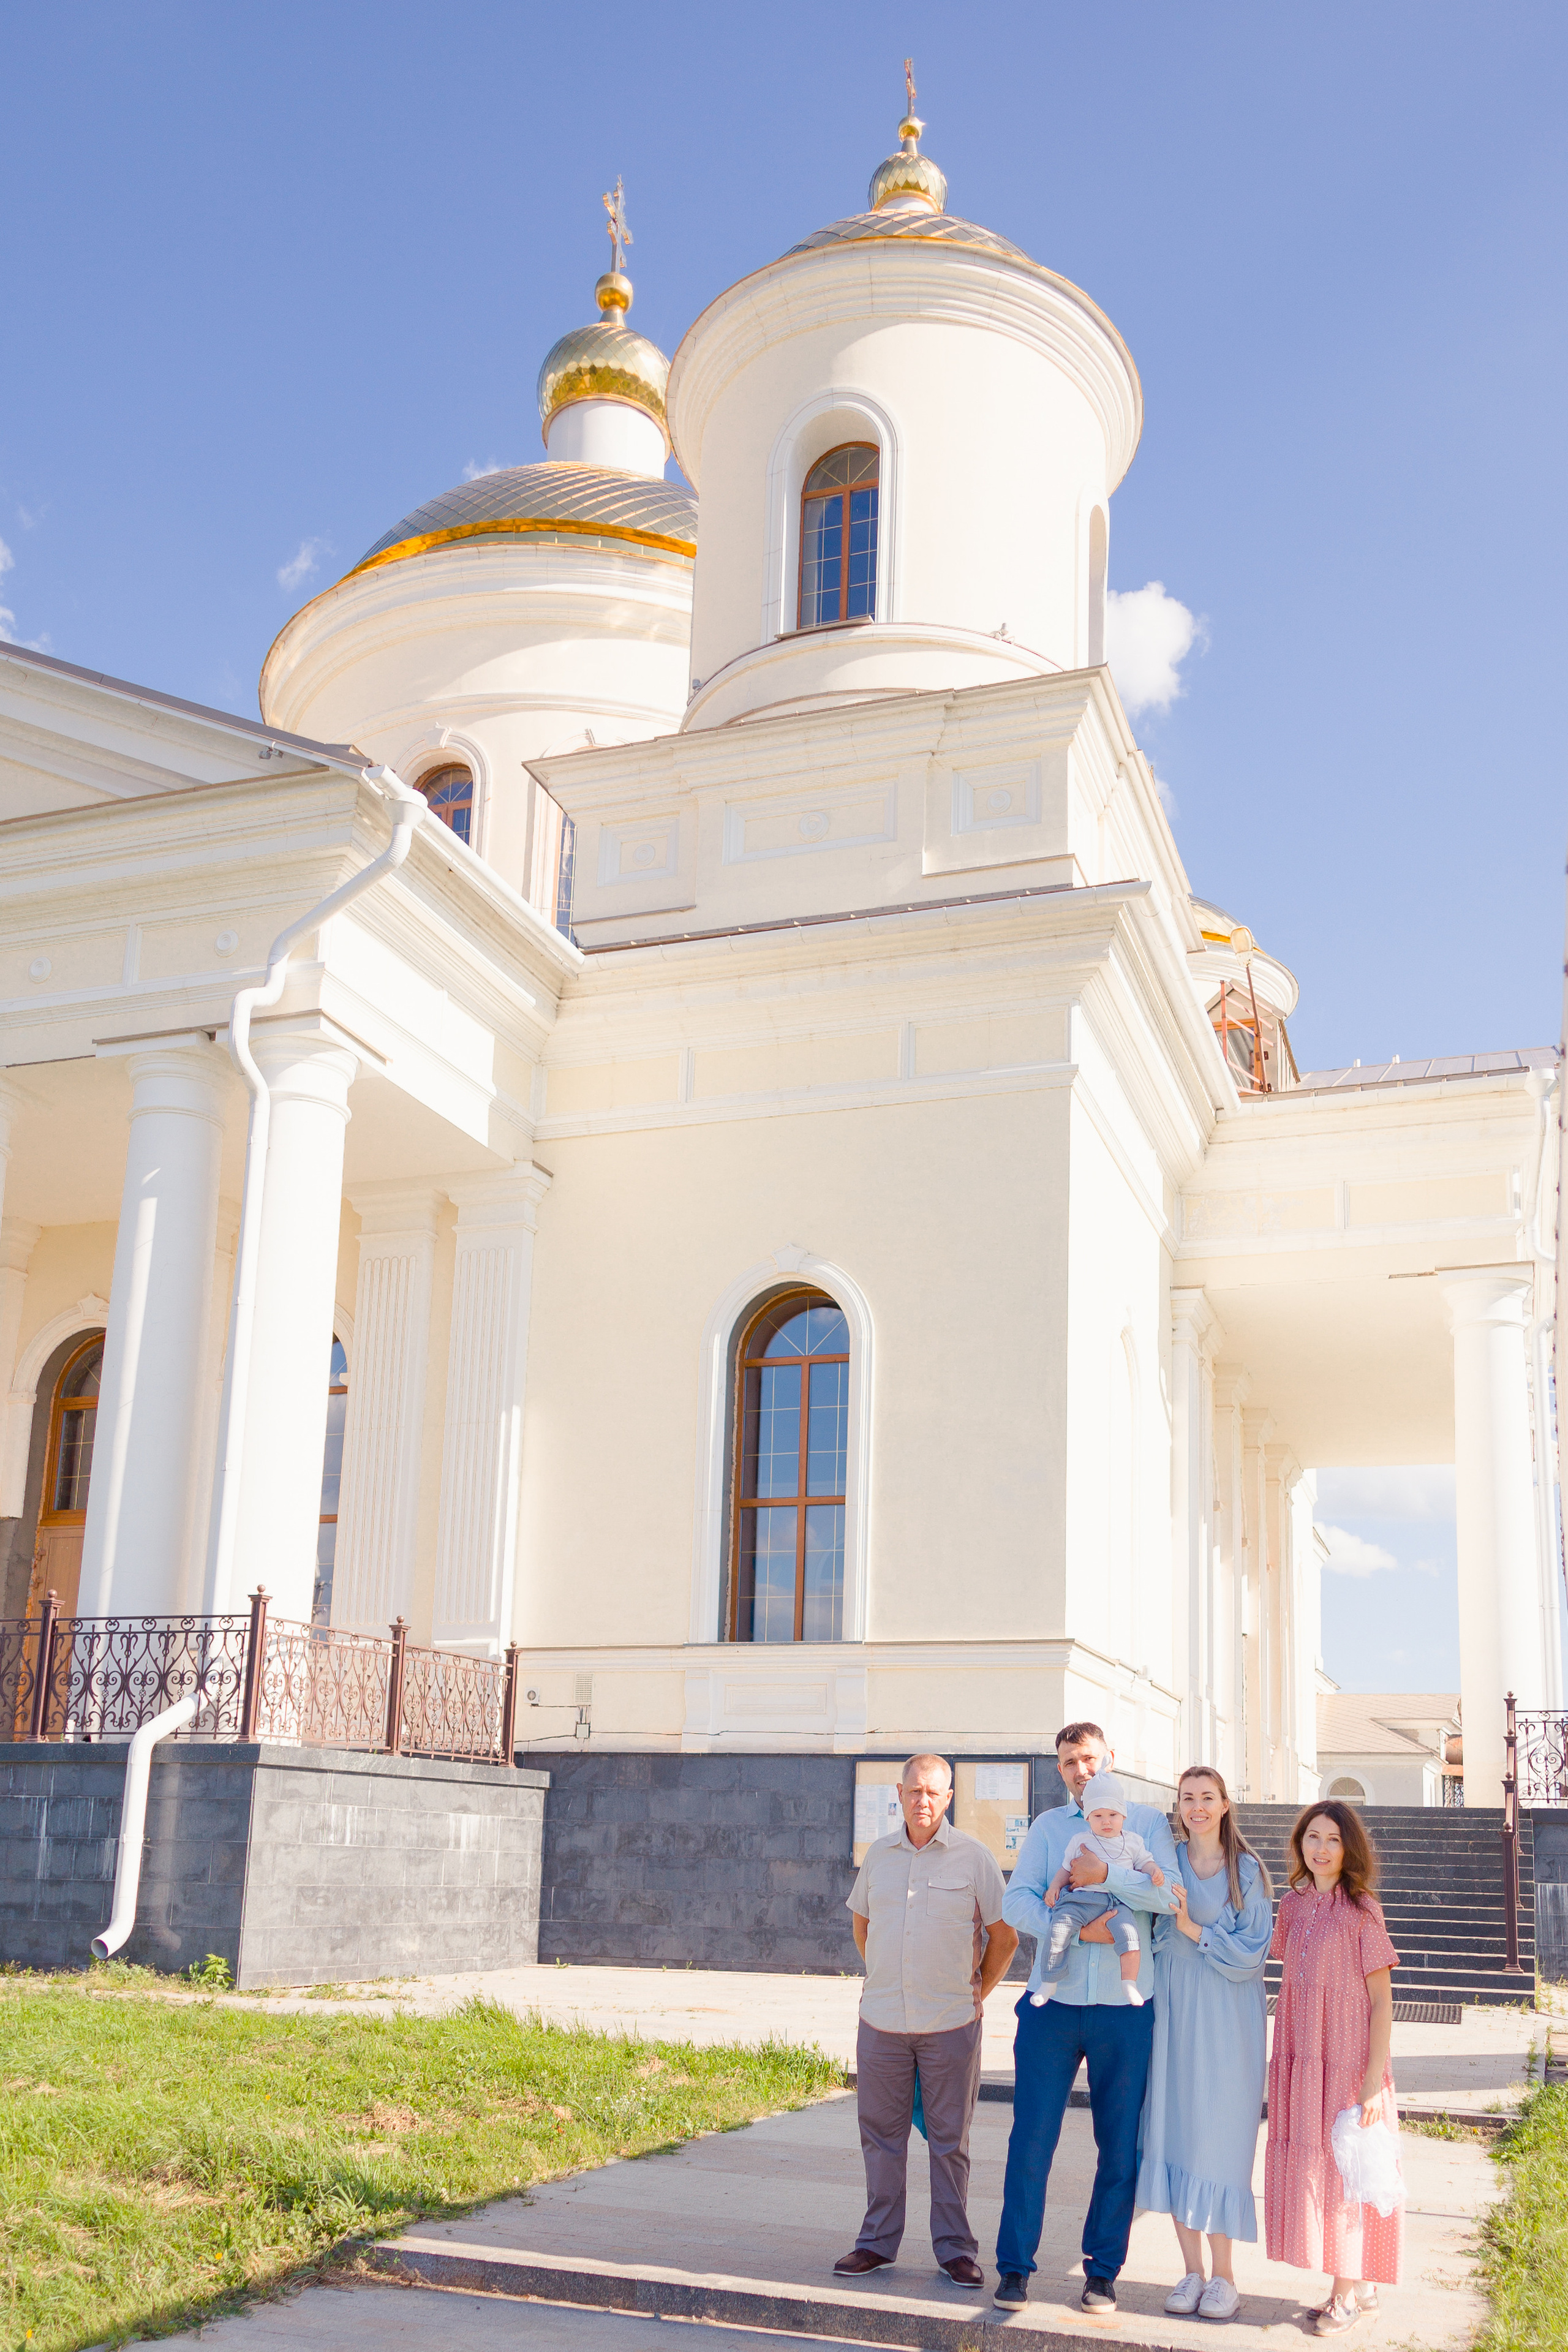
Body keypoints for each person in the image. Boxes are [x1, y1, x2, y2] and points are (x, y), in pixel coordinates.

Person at [993, 1722, 1178, 2316]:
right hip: (1054, 2008)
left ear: (1110, 1759)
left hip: (1124, 2013)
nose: (1082, 1770)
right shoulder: (1050, 1829)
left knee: (1118, 2148)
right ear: (1060, 1769)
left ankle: (1101, 2274)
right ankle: (1014, 2269)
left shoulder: (1146, 1824)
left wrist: (1109, 1879)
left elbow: (1167, 1897)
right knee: (1031, 2140)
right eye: (1070, 1762)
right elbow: (1016, 1898)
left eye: (1090, 1759)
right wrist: (1078, 1931)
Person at [837, 1753, 1019, 2290]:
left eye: (933, 1792)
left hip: (950, 2024)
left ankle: (956, 2250)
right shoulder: (879, 1857)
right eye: (914, 1791)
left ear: (948, 1797)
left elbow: (1003, 1938)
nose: (922, 1801)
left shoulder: (974, 1857)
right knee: (881, 2137)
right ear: (900, 1793)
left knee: (949, 2139)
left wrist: (975, 1993)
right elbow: (862, 1927)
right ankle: (876, 2243)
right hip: (883, 2021)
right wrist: (885, 1981)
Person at [1136, 1764, 1272, 2324]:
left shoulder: (1247, 1870)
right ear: (1179, 1805)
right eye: (1187, 1798)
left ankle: (1226, 2279)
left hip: (1228, 2016)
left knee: (1219, 2141)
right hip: (1172, 2010)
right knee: (1175, 2131)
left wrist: (1194, 1929)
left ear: (1223, 1804)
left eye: (1207, 1797)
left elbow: (1252, 1953)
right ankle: (1190, 2272)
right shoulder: (1164, 1863)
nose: (1197, 1806)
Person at [1265, 1802, 1402, 2337]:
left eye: (1333, 1840)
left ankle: (1343, 2295)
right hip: (1302, 2056)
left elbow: (1383, 2001)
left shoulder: (1362, 1909)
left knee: (1345, 2171)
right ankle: (1361, 2286)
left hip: (1347, 2062)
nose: (1321, 1849)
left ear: (1350, 1849)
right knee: (1315, 2169)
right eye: (1312, 1838)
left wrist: (1374, 2080)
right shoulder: (1293, 1906)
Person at [1033, 1770, 1164, 2004]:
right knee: (1059, 1929)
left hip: (1117, 1902)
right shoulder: (1080, 1841)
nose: (1106, 1821)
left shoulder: (1133, 1841)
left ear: (1123, 1815)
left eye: (1113, 1814)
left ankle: (1130, 1983)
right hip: (1081, 1901)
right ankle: (1049, 1982)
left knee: (1130, 1936)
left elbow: (1145, 1862)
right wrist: (1055, 1887)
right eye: (1098, 1815)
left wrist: (1154, 1871)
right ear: (1087, 1818)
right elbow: (1065, 1869)